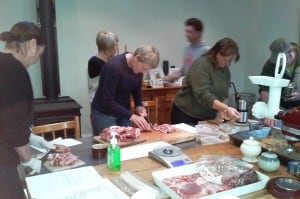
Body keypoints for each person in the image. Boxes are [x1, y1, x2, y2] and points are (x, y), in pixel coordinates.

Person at [0, 22, 54, 198]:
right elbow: (13, 124)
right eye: (39, 54)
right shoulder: (13, 69)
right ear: (31, 45)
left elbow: (4, 116)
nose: (36, 61)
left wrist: (30, 137)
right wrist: (28, 160)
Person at [171, 38, 241, 125]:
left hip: (206, 117)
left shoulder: (225, 70)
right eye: (226, 60)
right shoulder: (202, 65)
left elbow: (221, 95)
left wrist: (221, 109)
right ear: (217, 53)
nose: (228, 63)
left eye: (230, 61)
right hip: (186, 115)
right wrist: (225, 108)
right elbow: (203, 95)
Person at [91, 46, 159, 135]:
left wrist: (139, 106)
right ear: (136, 57)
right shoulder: (114, 66)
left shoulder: (138, 70)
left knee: (128, 143)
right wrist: (131, 116)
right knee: (110, 144)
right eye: (144, 68)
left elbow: (136, 90)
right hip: (104, 112)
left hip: (123, 112)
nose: (143, 72)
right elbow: (107, 99)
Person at [164, 18, 210, 82]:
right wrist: (172, 76)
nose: (186, 35)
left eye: (189, 32)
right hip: (188, 88)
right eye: (186, 32)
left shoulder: (207, 51)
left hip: (200, 90)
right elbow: (184, 70)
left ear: (198, 33)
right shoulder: (187, 49)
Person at [259, 38, 300, 109]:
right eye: (277, 60)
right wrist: (268, 112)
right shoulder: (271, 64)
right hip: (279, 106)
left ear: (290, 53)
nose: (279, 64)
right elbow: (264, 90)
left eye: (281, 60)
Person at [88, 30, 118, 103]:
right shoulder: (95, 62)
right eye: (115, 45)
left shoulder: (108, 61)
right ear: (108, 47)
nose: (117, 48)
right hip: (100, 104)